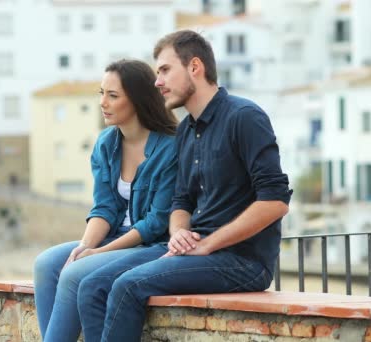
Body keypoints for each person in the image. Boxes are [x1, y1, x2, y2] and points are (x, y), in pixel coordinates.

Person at [77, 29, 293, 342]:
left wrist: (207, 243)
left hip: (242, 261)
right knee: (92, 285)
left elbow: (275, 201)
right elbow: (181, 201)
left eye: (165, 70)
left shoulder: (244, 117)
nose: (157, 82)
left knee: (127, 285)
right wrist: (179, 232)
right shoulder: (186, 132)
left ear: (195, 67)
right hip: (195, 252)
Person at [33, 59, 179, 342]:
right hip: (113, 236)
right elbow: (104, 208)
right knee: (46, 263)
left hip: (153, 245)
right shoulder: (106, 143)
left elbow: (155, 222)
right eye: (101, 93)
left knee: (75, 274)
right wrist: (85, 246)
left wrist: (99, 253)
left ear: (137, 100)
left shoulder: (169, 147)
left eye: (113, 96)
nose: (103, 102)